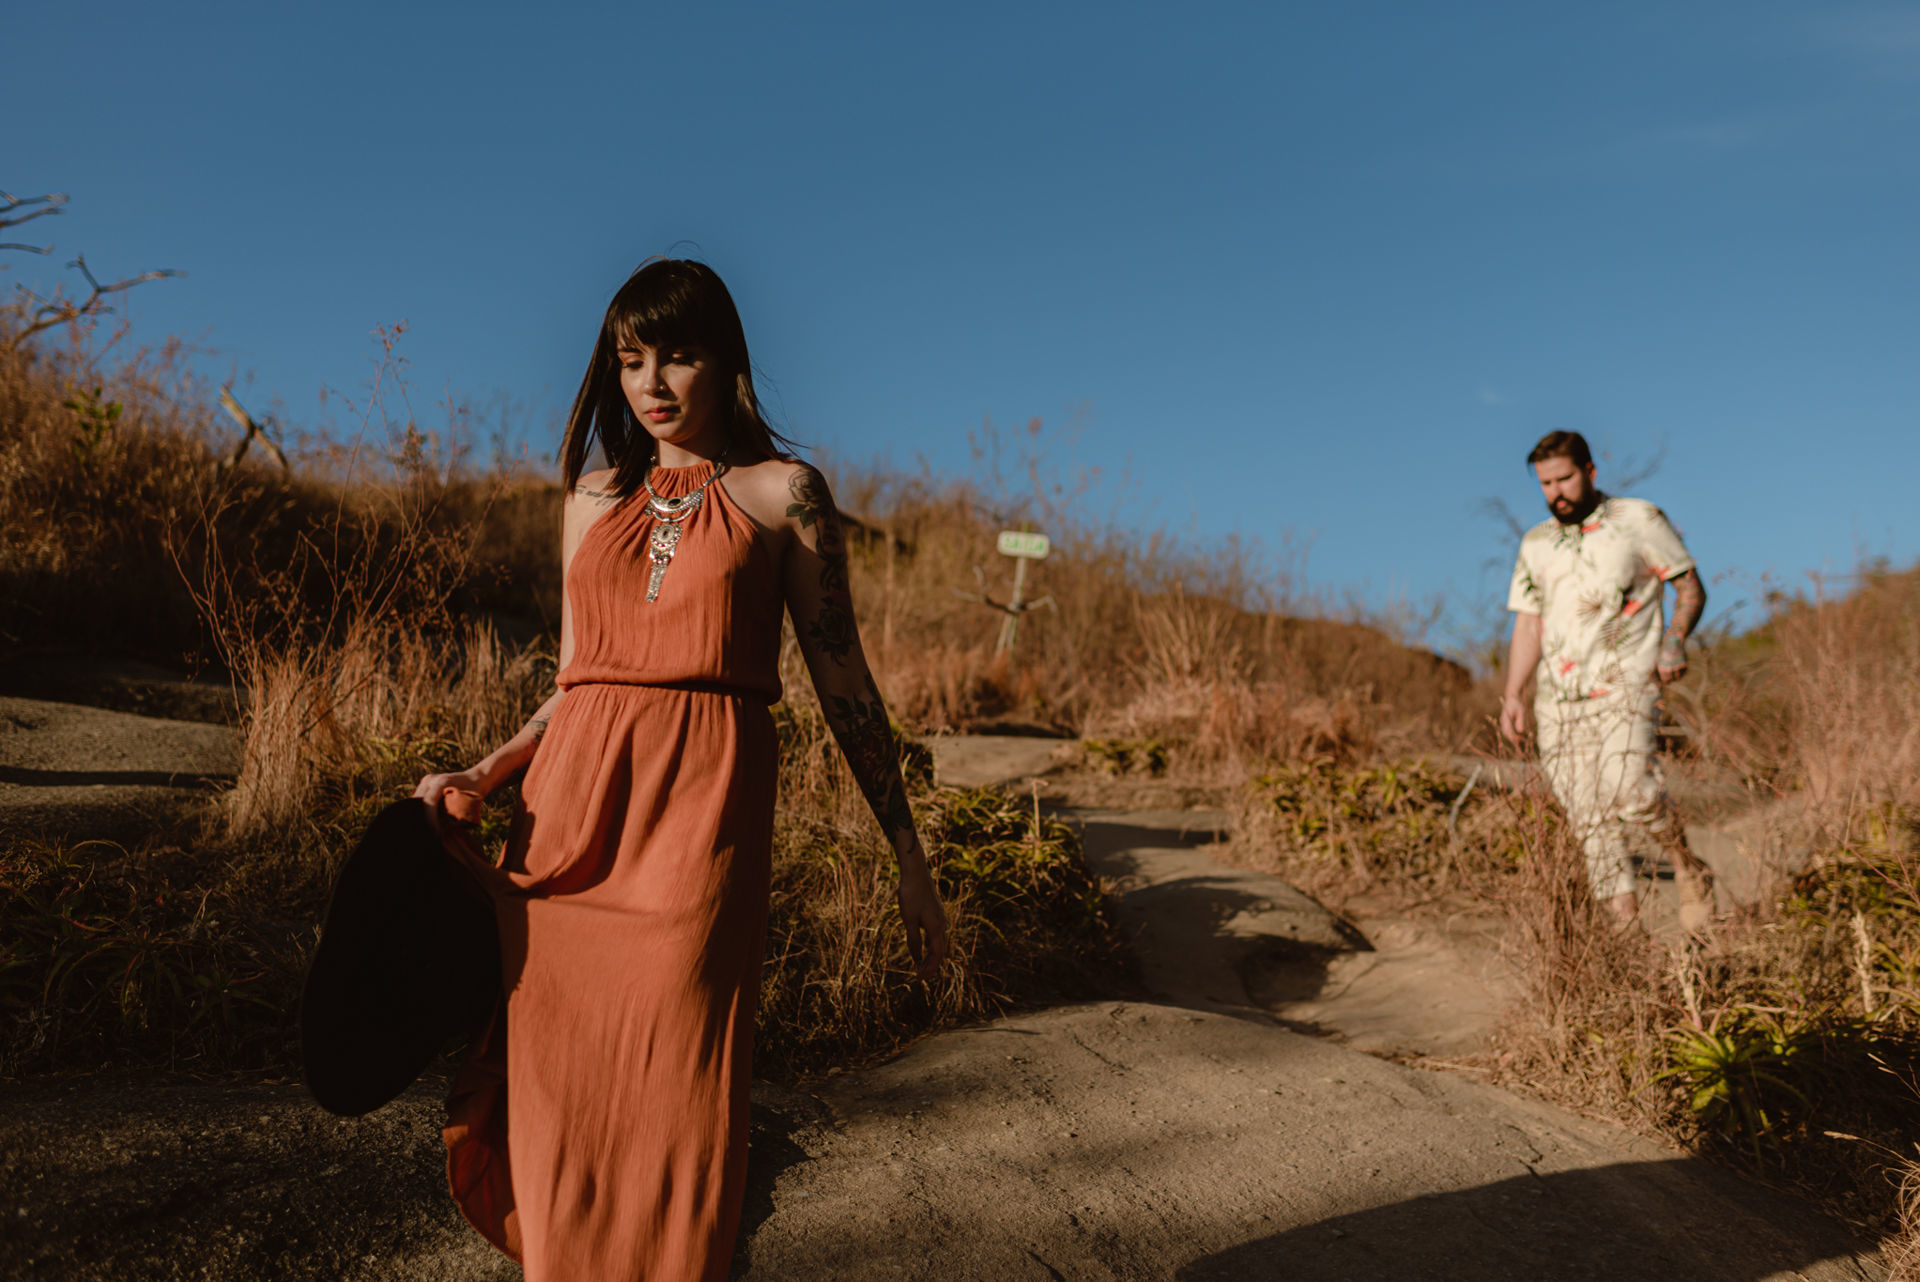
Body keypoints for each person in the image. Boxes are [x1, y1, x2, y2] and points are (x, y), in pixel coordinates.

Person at [411, 258, 949, 1281]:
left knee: (674, 1084)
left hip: (701, 824)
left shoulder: (786, 495)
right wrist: (484, 769)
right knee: (560, 1085)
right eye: (630, 360)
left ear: (726, 361)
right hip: (569, 820)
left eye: (678, 355)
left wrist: (908, 856)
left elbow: (847, 684)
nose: (651, 383)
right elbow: (576, 681)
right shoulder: (591, 497)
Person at [1499, 430, 1715, 932]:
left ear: (1590, 471)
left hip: (1626, 683)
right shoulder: (1535, 543)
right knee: (1587, 817)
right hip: (1558, 700)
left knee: (1631, 790)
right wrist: (1513, 694)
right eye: (1546, 483)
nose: (1556, 492)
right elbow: (1529, 622)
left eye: (1565, 478)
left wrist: (1674, 641)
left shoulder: (1638, 519)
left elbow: (1688, 586)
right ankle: (1625, 933)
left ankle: (1688, 866)